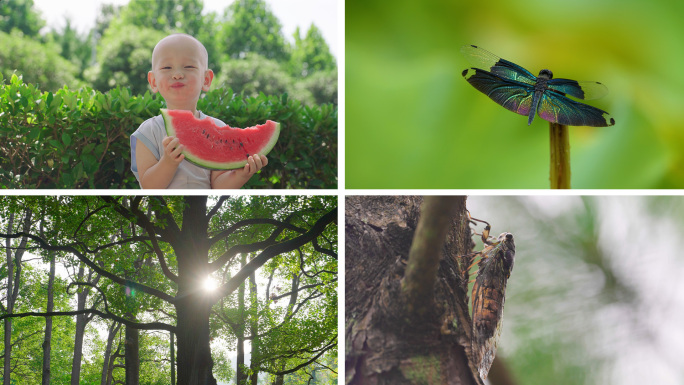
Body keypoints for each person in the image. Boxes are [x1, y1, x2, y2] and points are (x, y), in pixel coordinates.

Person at [130, 34, 268, 188]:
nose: (177, 75)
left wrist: (241, 175)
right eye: (166, 67)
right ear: (153, 81)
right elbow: (149, 186)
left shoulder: (218, 129)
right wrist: (168, 162)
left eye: (189, 67)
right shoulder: (147, 132)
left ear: (206, 79)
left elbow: (218, 186)